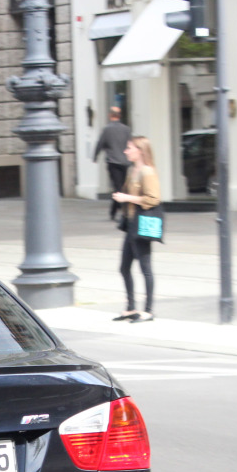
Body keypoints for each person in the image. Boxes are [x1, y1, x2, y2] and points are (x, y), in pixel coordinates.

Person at [111, 136, 161, 322]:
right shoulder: (133, 170)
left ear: (140, 150)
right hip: (131, 224)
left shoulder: (147, 172)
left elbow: (153, 199)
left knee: (145, 268)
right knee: (124, 267)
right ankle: (131, 308)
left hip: (142, 225)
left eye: (129, 148)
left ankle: (148, 310)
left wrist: (127, 198)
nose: (126, 151)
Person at [93, 107, 131, 221]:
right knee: (121, 186)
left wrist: (95, 155)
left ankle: (118, 211)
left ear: (110, 115)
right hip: (124, 162)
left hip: (113, 162)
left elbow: (100, 144)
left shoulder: (107, 129)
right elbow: (130, 144)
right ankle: (117, 211)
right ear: (120, 116)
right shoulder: (127, 130)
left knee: (117, 187)